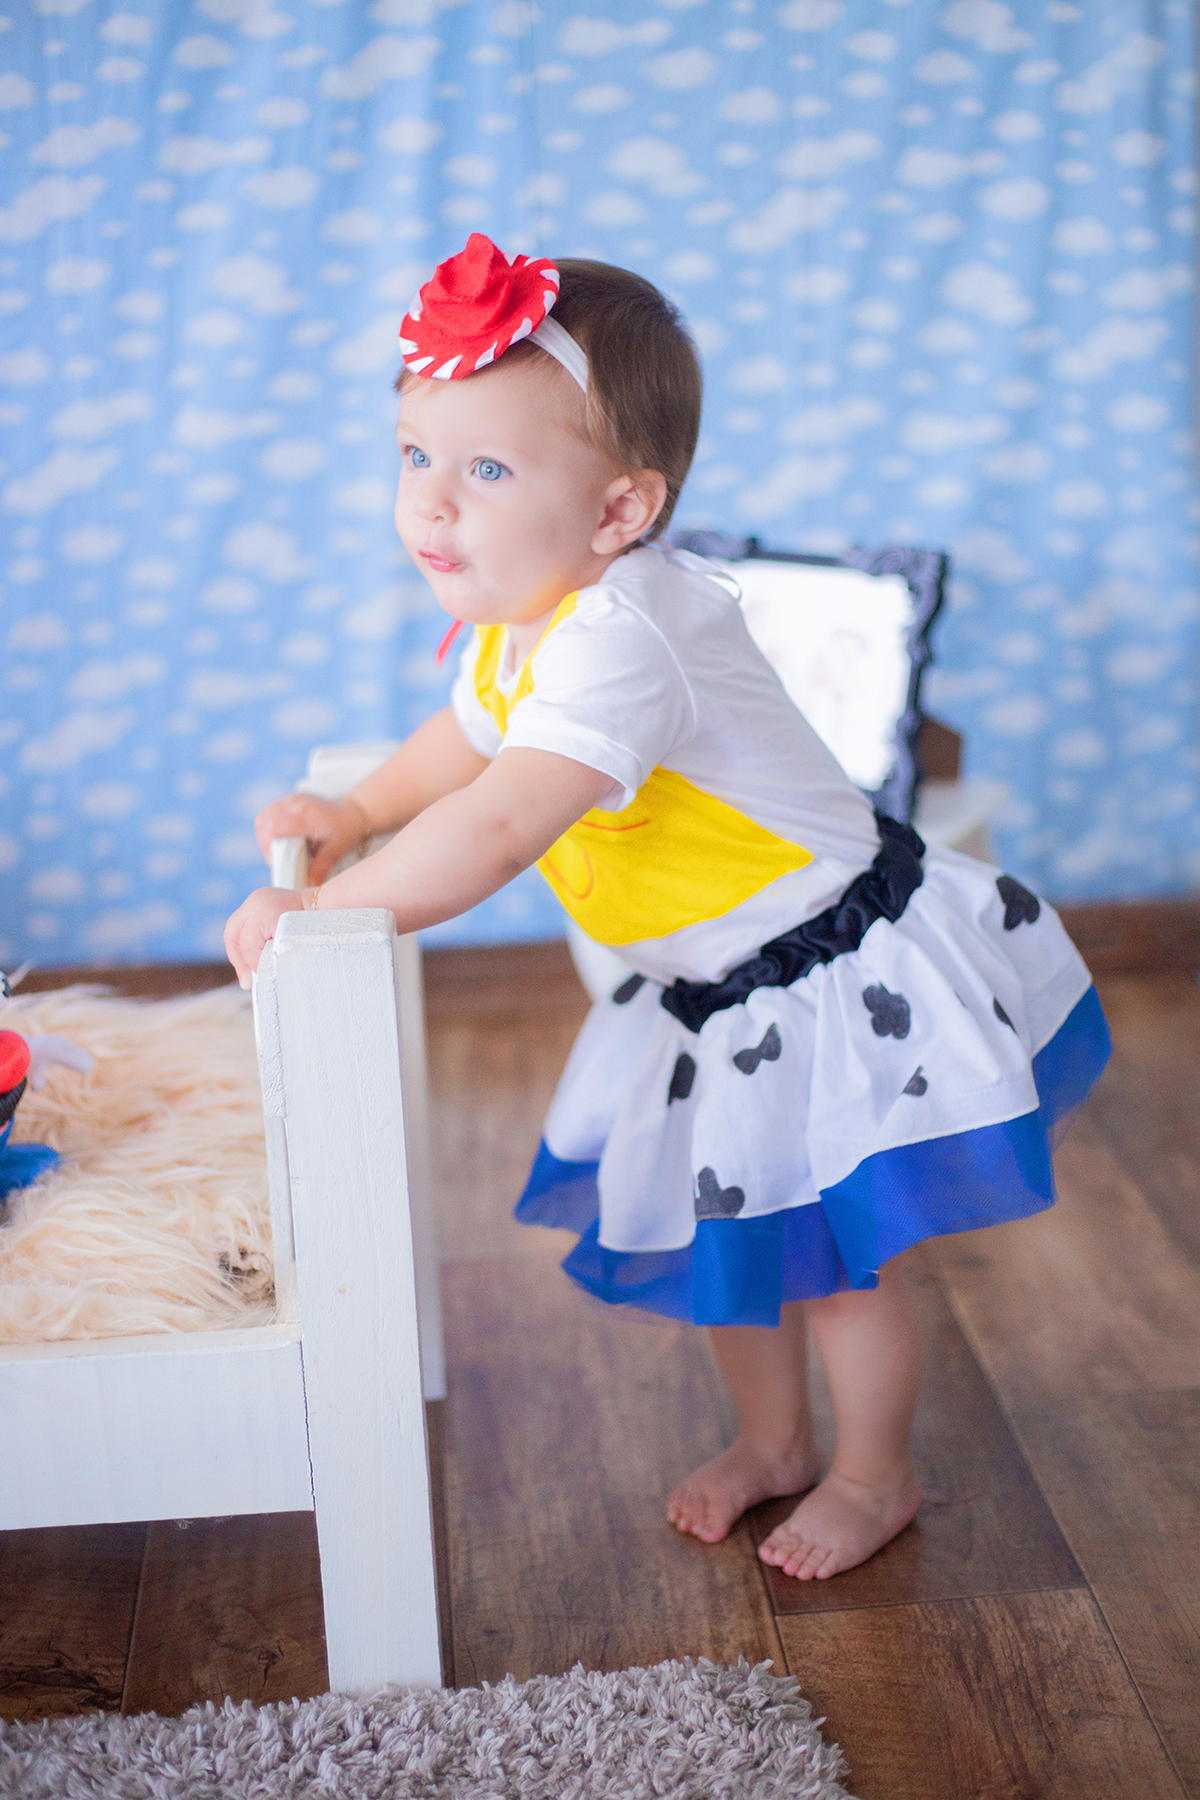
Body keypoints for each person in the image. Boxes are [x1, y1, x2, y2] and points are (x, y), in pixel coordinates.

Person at [225, 233, 1110, 1581]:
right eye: (414, 455)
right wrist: (356, 812)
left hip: (830, 973)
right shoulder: (524, 613)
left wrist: (332, 911)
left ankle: (876, 1473)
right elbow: (463, 742)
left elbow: (501, 821)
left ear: (619, 511)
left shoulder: (627, 637)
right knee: (732, 1237)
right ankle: (775, 1443)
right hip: (712, 996)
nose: (431, 504)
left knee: (837, 1264)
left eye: (485, 470)